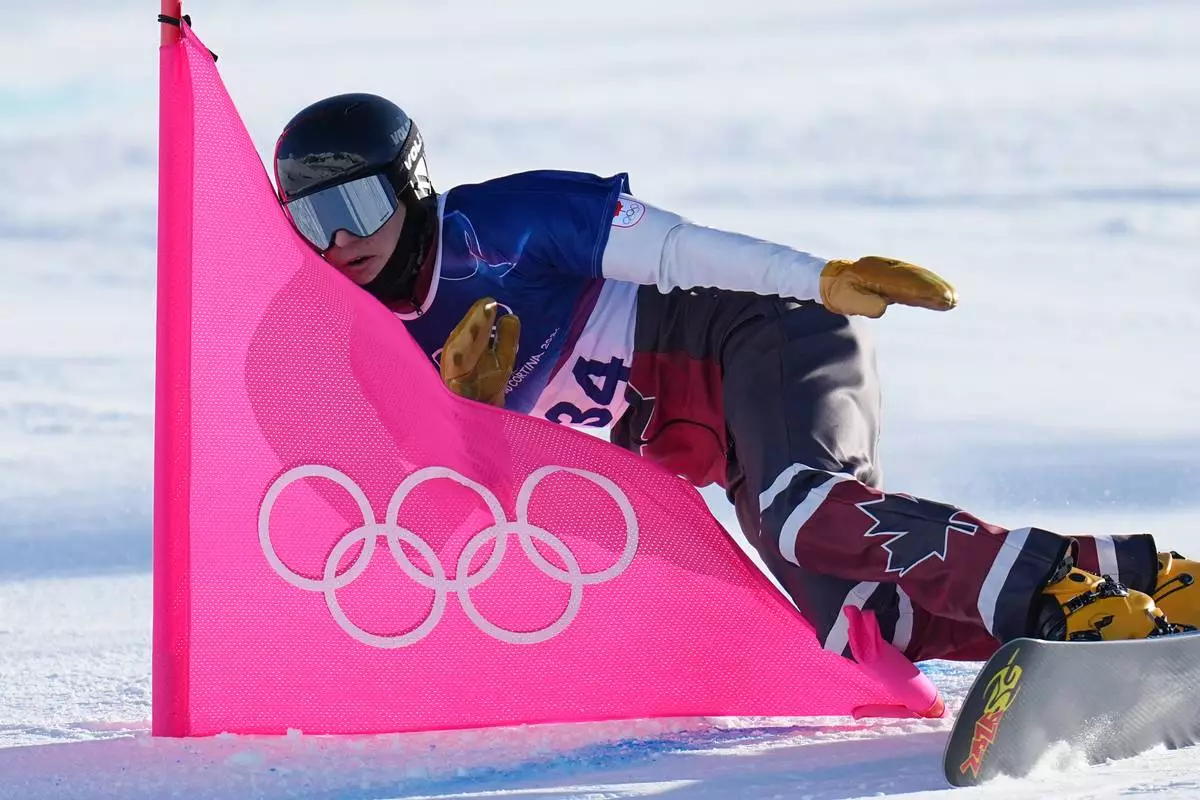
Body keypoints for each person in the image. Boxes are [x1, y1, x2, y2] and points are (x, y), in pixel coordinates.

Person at [272, 92, 1199, 667]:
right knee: (863, 628)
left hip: (767, 335)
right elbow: (443, 520)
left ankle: (1058, 603)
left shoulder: (506, 223)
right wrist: (459, 421)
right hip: (721, 444)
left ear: (411, 185)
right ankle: (1143, 578)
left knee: (807, 509)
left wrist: (820, 277)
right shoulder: (369, 347)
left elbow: (679, 249)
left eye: (356, 204)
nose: (341, 240)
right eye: (310, 219)